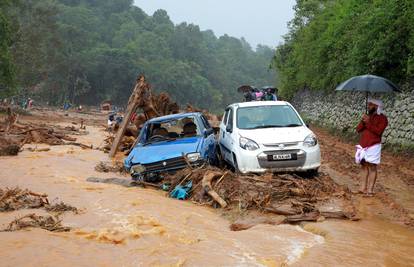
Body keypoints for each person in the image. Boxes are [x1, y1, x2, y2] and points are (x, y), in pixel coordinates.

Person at [355, 99, 388, 196]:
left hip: (374, 145)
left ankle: (370, 190)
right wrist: (363, 120)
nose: (368, 106)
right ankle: (362, 188)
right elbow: (358, 129)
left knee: (372, 167)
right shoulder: (367, 116)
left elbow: (378, 131)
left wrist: (369, 122)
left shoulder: (383, 119)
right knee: (364, 166)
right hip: (363, 145)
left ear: (377, 107)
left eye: (371, 105)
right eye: (368, 104)